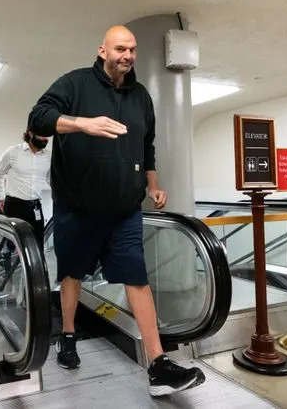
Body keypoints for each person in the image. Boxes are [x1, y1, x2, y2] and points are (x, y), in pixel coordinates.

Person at [27, 25, 204, 396]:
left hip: (124, 210)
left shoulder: (141, 96)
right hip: (78, 207)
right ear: (103, 51)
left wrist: (153, 185)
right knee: (73, 274)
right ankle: (69, 336)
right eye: (121, 49)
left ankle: (157, 364)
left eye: (133, 50)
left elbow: (147, 146)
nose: (128, 56)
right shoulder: (74, 84)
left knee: (137, 277)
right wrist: (80, 124)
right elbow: (38, 118)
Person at [0, 129, 51, 249]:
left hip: (35, 206)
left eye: (47, 136)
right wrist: (1, 197)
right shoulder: (13, 152)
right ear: (30, 133)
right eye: (42, 135)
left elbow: (51, 179)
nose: (46, 139)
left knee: (38, 243)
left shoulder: (49, 155)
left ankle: (37, 267)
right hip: (15, 205)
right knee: (14, 245)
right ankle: (15, 266)